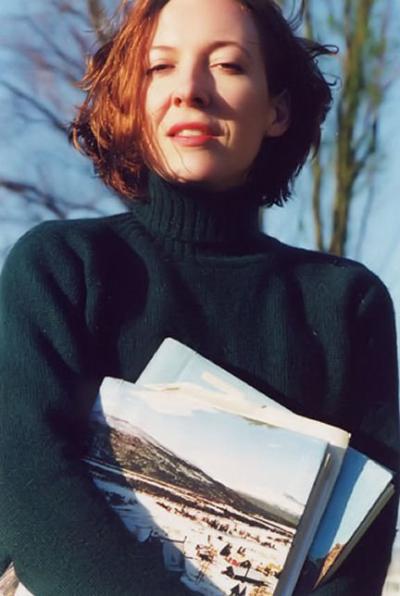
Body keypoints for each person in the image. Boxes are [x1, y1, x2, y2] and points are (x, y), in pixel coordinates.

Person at [0, 0, 398, 594]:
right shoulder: (62, 266)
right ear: (132, 102)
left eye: (228, 65)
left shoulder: (348, 303)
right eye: (159, 67)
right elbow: (29, 483)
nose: (189, 90)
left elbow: (357, 552)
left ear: (278, 109)